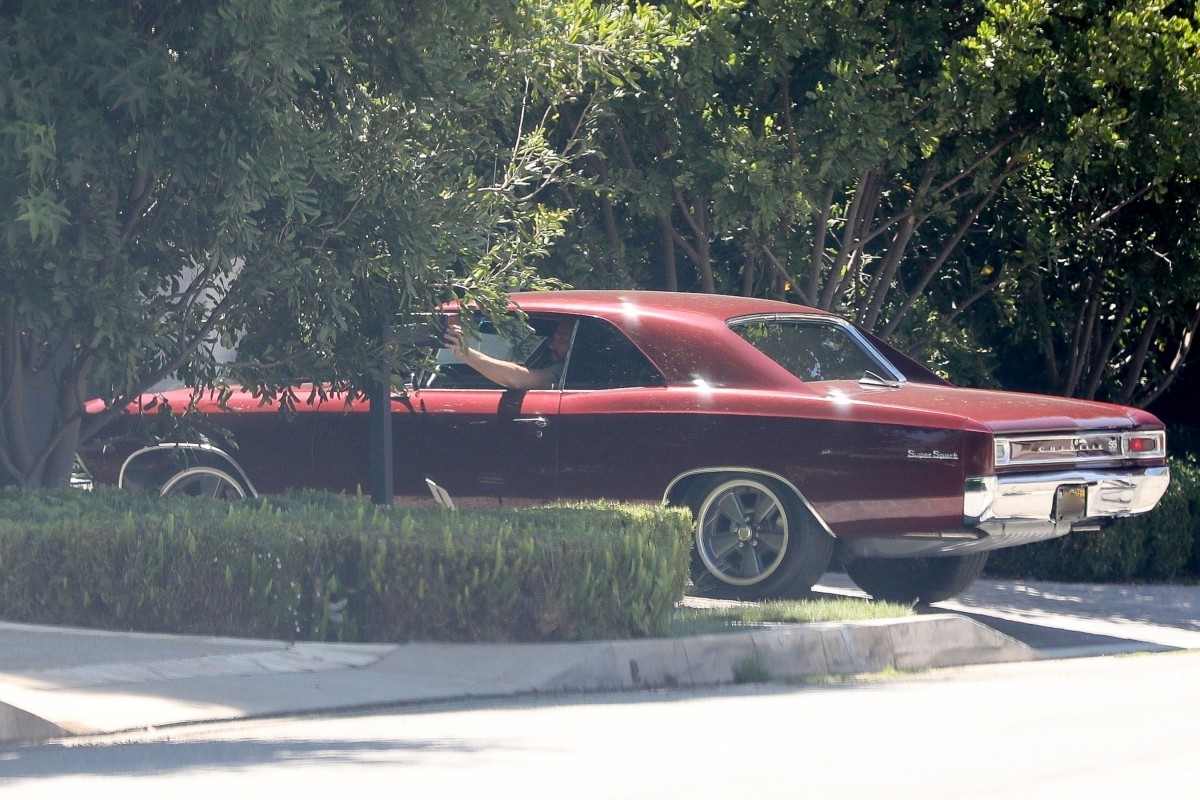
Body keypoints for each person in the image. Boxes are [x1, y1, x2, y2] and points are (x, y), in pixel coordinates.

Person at [442, 320, 570, 390]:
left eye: (562, 339)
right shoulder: (546, 359)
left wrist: (465, 353)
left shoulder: (570, 369)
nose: (551, 345)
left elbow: (520, 379)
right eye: (553, 339)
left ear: (577, 344)